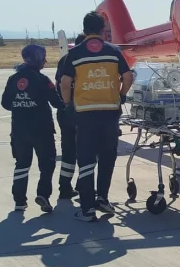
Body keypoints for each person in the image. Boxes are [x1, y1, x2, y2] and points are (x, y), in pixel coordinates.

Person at [58, 11, 135, 220]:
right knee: (107, 157)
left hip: (85, 114)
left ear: (84, 30)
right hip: (110, 113)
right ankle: (103, 198)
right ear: (103, 30)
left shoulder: (75, 53)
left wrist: (67, 103)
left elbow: (65, 83)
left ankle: (87, 208)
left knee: (86, 160)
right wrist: (121, 95)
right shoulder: (113, 51)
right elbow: (128, 76)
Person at [2, 44, 63, 213]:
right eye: (43, 58)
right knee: (47, 164)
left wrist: (21, 104)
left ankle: (19, 200)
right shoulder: (43, 80)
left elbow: (5, 103)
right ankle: (43, 194)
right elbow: (56, 102)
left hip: (19, 130)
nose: (45, 61)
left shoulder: (13, 79)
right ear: (37, 59)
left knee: (22, 164)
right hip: (42, 130)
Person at [54, 34, 86, 200]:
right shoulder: (87, 61)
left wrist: (65, 104)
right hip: (83, 111)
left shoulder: (64, 61)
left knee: (68, 151)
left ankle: (65, 187)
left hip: (65, 111)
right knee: (89, 150)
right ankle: (83, 184)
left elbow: (59, 84)